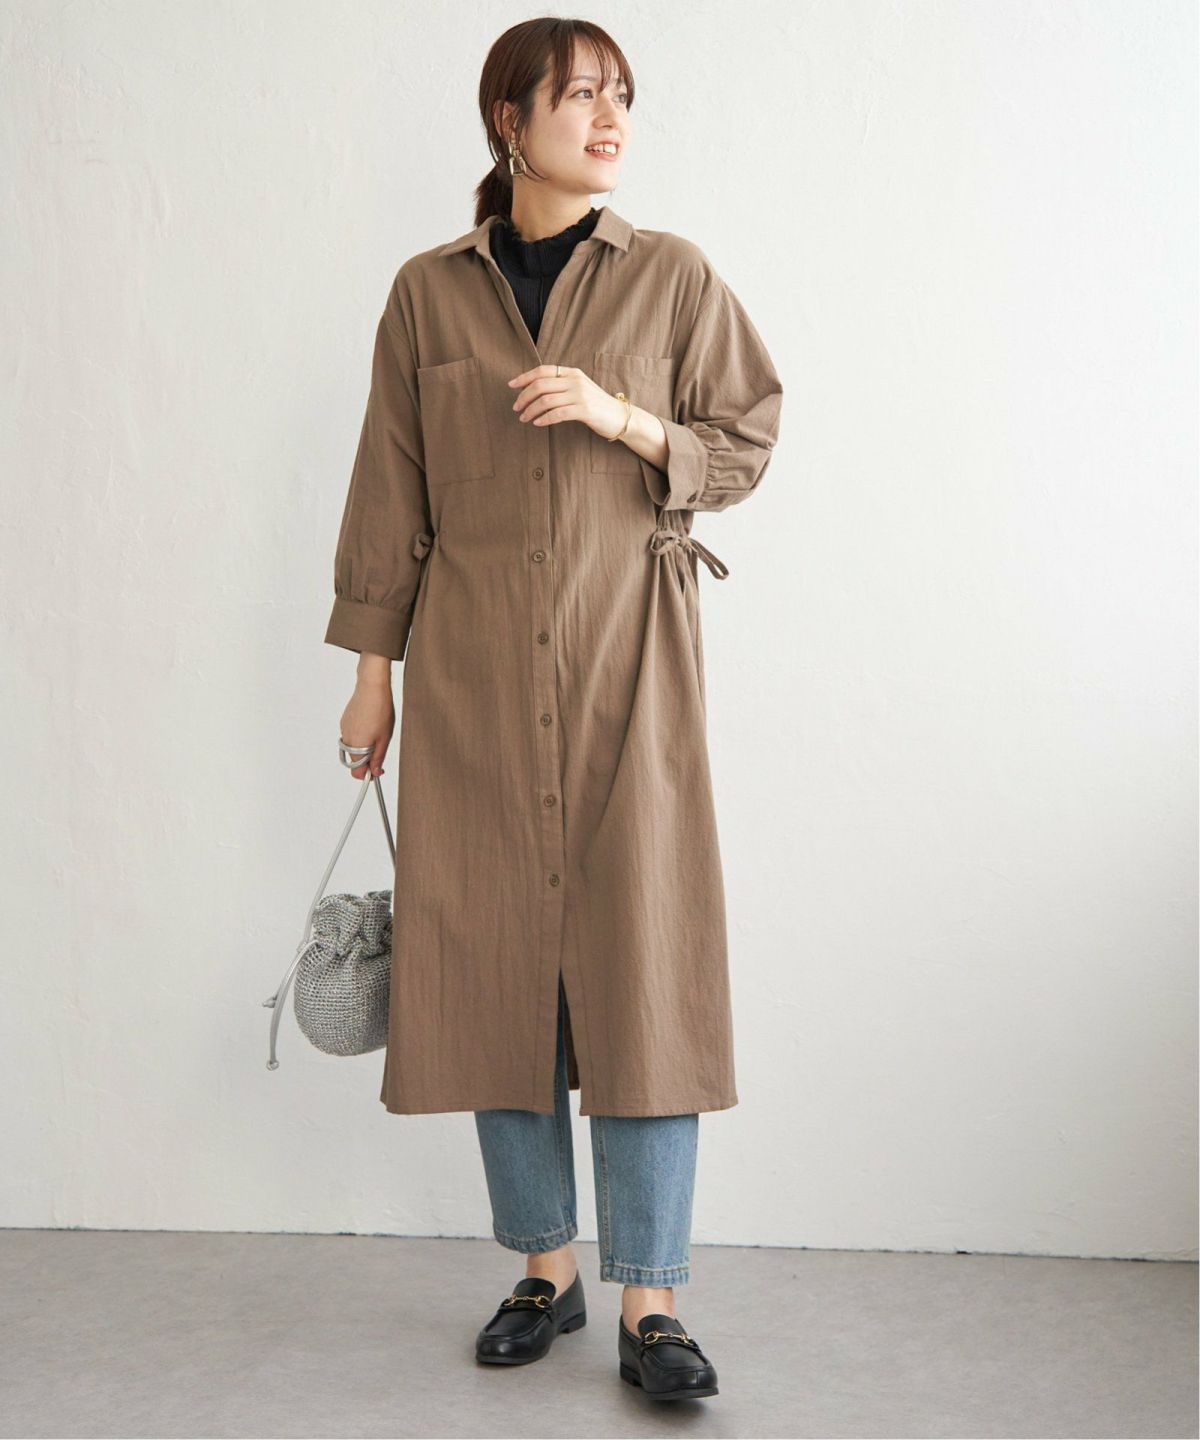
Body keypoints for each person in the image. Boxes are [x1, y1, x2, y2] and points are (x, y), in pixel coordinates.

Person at [324, 17, 783, 1403]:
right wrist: (372, 671)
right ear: (508, 122)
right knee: (491, 970)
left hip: (633, 675)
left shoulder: (673, 276)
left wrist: (621, 416)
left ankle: (653, 1300)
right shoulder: (426, 294)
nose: (609, 116)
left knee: (645, 968)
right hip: (469, 678)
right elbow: (390, 483)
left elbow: (747, 438)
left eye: (620, 94)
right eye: (579, 94)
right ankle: (544, 1268)